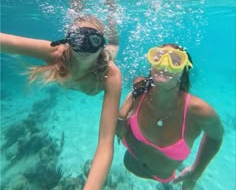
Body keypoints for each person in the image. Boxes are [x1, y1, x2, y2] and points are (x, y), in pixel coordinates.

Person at [0, 14, 122, 190]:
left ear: (100, 42)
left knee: (114, 45)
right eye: (79, 39)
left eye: (93, 40)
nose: (85, 49)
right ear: (68, 40)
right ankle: (76, 6)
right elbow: (8, 41)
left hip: (105, 59)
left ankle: (111, 10)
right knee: (77, 14)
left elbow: (105, 142)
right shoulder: (56, 52)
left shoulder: (110, 75)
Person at [116, 44, 224, 190]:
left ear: (184, 70)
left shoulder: (199, 111)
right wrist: (123, 114)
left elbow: (216, 136)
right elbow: (130, 99)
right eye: (158, 57)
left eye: (175, 60)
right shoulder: (140, 87)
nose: (164, 65)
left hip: (162, 176)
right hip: (130, 161)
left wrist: (195, 172)